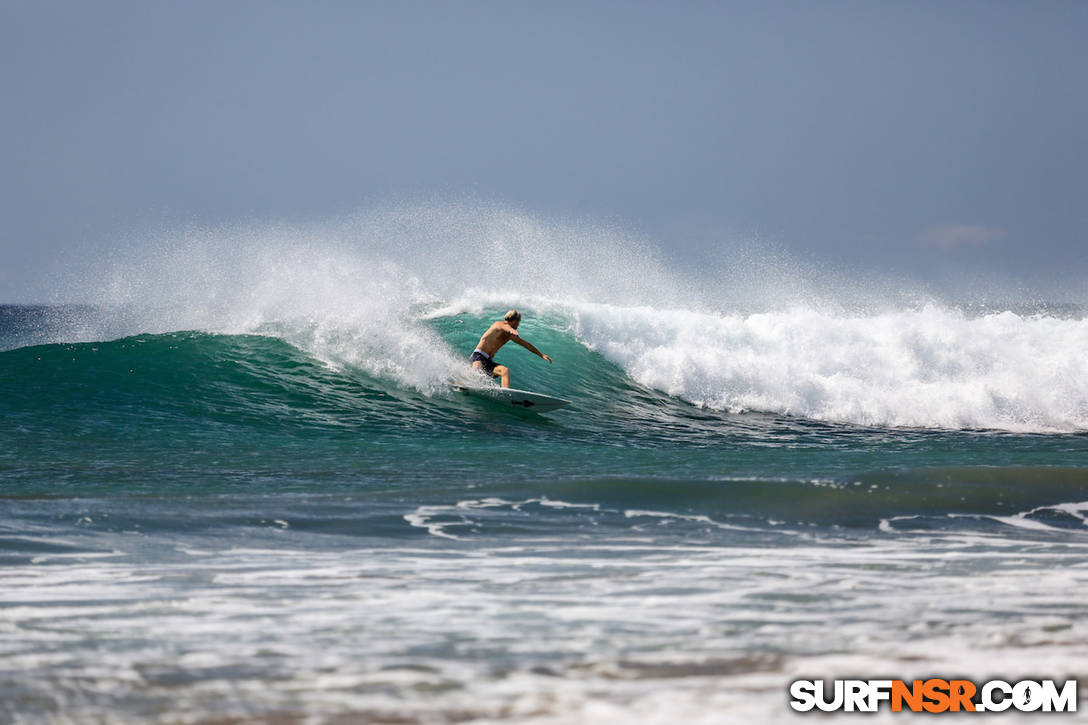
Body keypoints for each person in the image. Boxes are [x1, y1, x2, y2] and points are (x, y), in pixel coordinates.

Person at [469, 309, 552, 388]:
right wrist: (511, 330)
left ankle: (506, 393)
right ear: (514, 320)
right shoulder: (498, 324)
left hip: (488, 361)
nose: (518, 325)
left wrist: (541, 355)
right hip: (478, 356)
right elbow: (504, 327)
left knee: (504, 371)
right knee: (477, 368)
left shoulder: (511, 335)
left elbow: (525, 344)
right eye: (518, 322)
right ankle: (463, 383)